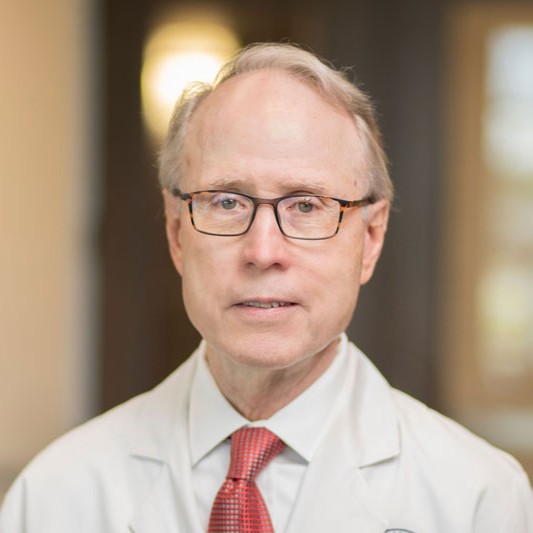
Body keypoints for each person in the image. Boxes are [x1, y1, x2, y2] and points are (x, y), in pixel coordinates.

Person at [1, 42, 532, 533]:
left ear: (370, 239)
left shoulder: (479, 498)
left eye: (306, 205)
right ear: (176, 233)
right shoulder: (55, 495)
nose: (262, 251)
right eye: (227, 201)